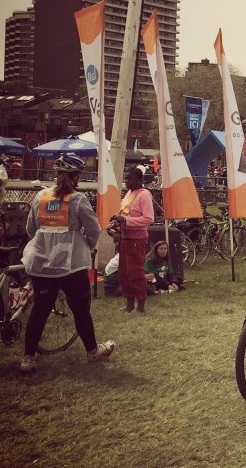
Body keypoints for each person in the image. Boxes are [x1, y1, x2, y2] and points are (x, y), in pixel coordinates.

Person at [19, 154, 116, 373]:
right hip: (70, 264)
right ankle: (92, 351)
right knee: (81, 310)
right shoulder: (78, 199)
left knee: (40, 310)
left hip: (41, 262)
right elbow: (93, 229)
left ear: (57, 175)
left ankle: (28, 358)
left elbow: (30, 230)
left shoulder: (41, 196)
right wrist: (86, 246)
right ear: (77, 176)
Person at [112, 168, 155, 314]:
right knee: (123, 272)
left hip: (137, 238)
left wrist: (126, 220)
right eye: (126, 178)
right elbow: (124, 214)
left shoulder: (144, 195)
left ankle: (140, 304)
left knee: (135, 272)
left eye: (129, 179)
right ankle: (129, 303)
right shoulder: (129, 194)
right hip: (125, 237)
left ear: (139, 180)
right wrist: (116, 220)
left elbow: (149, 219)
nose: (126, 181)